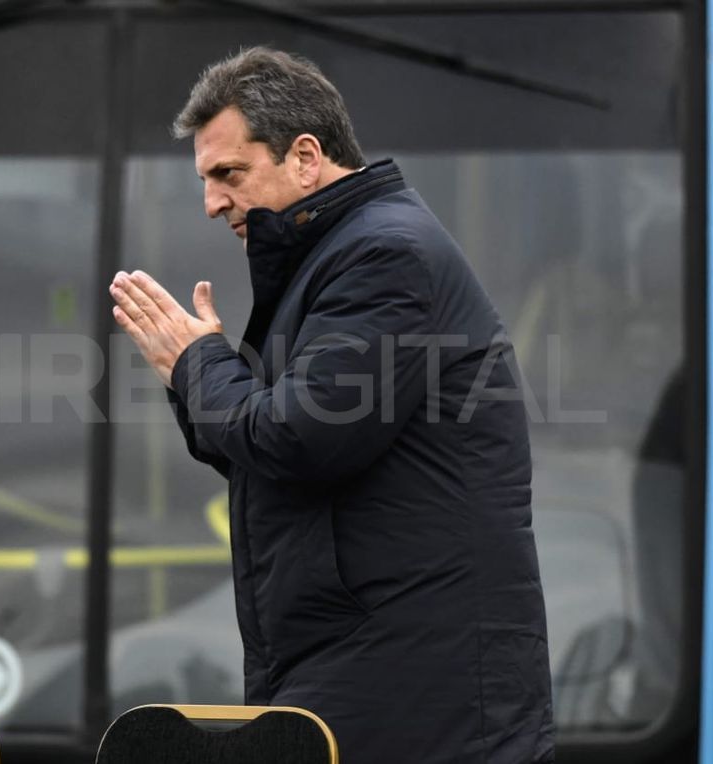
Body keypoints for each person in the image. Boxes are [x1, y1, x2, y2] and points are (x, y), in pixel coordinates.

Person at [109, 47, 554, 763]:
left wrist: (199, 363)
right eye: (205, 180)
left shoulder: (384, 257)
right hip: (373, 671)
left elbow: (301, 438)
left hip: (410, 691)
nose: (212, 202)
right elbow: (270, 455)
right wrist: (195, 373)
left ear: (306, 157)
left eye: (229, 173)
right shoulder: (342, 256)